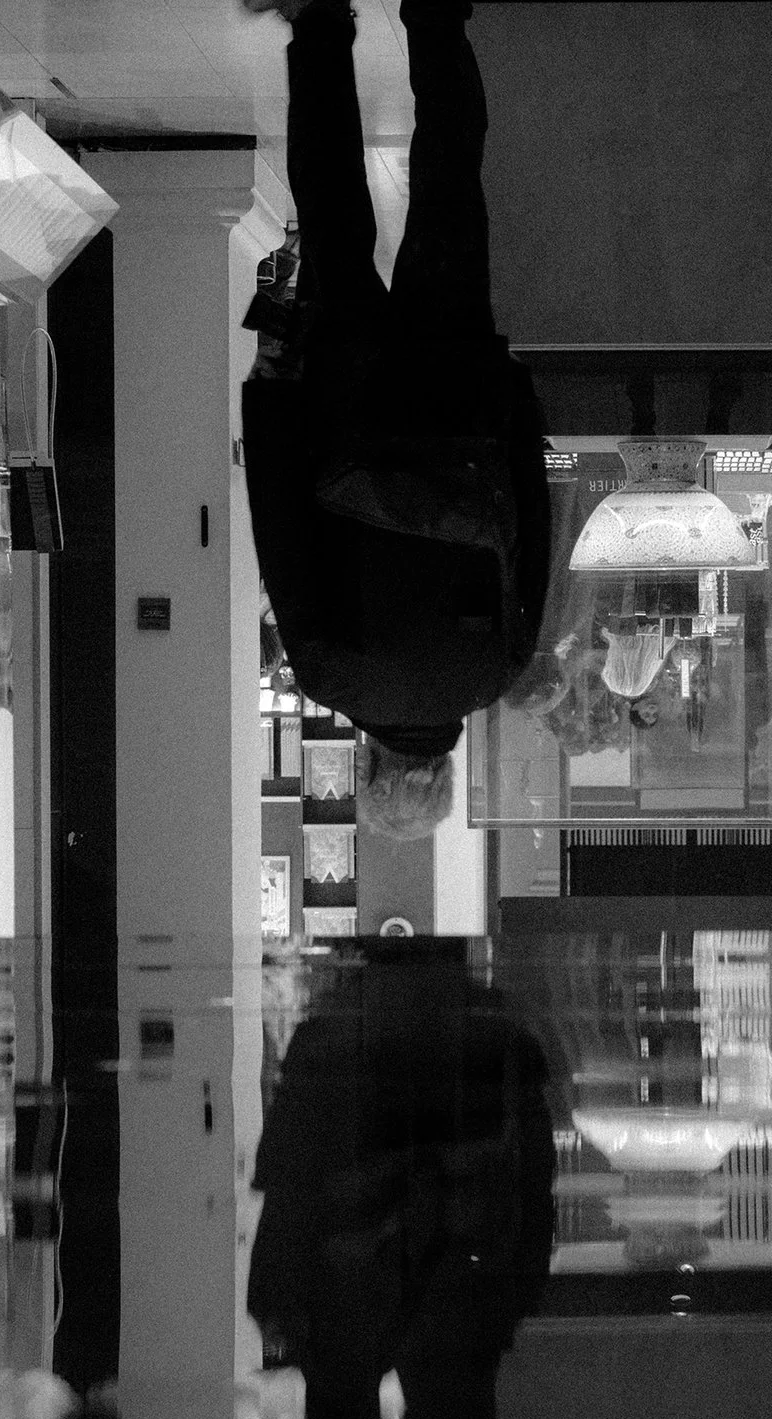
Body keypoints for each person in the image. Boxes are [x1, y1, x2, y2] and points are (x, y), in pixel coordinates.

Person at [241, 0, 552, 838]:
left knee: (451, 185)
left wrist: (516, 401)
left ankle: (438, 18)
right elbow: (281, 531)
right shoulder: (330, 676)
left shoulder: (497, 671)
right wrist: (270, 395)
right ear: (372, 767)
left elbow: (531, 521)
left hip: (459, 392)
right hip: (348, 401)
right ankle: (318, 23)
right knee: (332, 210)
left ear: (442, 771)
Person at [245, 941, 562, 1419]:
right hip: (456, 1287)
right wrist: (514, 1292)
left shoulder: (336, 1030)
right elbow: (531, 1184)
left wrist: (280, 1290)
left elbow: (289, 1182)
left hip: (352, 1285)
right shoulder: (493, 1031)